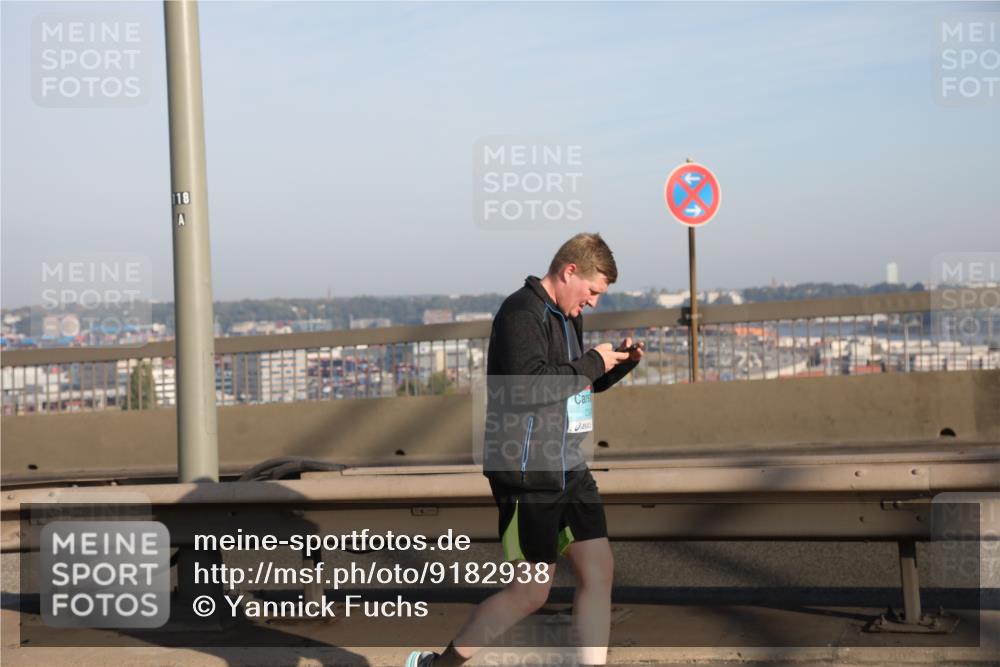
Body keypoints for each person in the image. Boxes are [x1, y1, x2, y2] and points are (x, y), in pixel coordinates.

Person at [406, 233, 644, 667]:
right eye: (592, 292)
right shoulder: (521, 312)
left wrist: (616, 367)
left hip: (569, 466)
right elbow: (528, 387)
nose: (592, 303)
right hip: (528, 471)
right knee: (531, 591)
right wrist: (593, 361)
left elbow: (570, 381)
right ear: (569, 271)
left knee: (599, 570)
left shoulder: (568, 316)